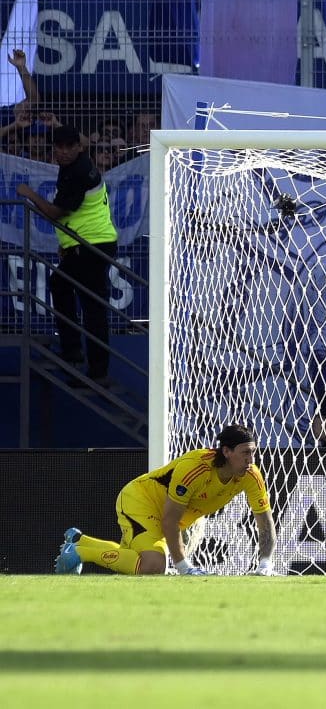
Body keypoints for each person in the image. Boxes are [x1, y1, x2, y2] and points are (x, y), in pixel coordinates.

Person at [54, 423, 277, 576]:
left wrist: (265, 563)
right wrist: (183, 567)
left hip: (170, 514)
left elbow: (265, 522)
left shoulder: (251, 475)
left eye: (253, 452)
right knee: (153, 566)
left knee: (134, 559)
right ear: (227, 452)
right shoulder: (195, 469)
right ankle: (80, 553)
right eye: (245, 453)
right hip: (140, 501)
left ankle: (80, 541)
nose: (251, 459)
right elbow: (170, 521)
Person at [15, 121, 121, 385]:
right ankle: (80, 357)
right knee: (64, 288)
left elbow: (55, 212)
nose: (61, 152)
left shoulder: (79, 172)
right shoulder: (73, 166)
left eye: (67, 147)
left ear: (78, 147)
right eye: (58, 147)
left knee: (87, 304)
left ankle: (92, 368)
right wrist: (67, 242)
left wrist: (29, 193)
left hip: (92, 246)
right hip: (85, 244)